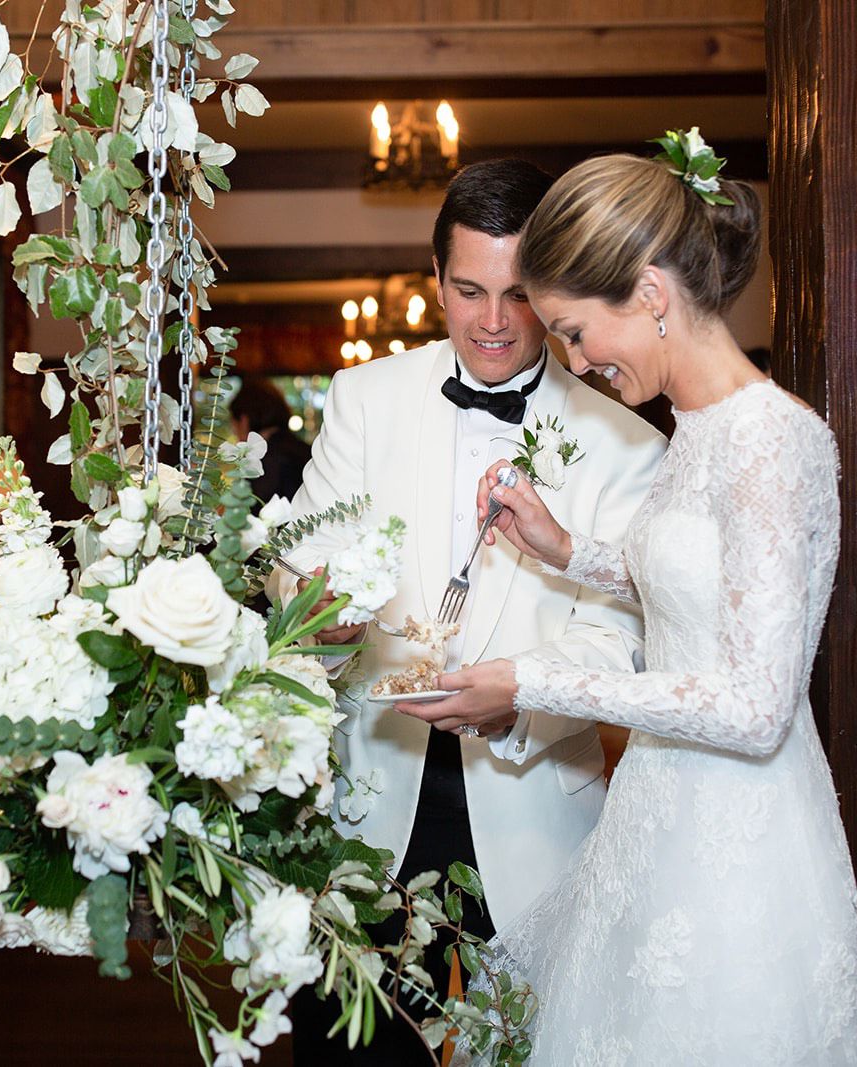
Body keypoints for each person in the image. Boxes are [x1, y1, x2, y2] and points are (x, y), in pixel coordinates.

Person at [419, 147, 857, 1062]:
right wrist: (567, 550)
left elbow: (752, 706)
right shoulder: (698, 428)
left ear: (652, 294)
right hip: (658, 814)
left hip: (738, 837)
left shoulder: (774, 440)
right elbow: (698, 585)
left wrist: (534, 679)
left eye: (578, 331)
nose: (577, 363)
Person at [273, 159, 667, 1064]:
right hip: (369, 802)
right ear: (436, 281)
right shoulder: (362, 399)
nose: (493, 322)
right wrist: (319, 616)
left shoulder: (625, 441)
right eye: (470, 290)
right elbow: (299, 563)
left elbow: (623, 639)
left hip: (534, 812)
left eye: (520, 294)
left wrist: (520, 694)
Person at [229, 374, 310, 503]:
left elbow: (249, 512)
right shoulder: (305, 450)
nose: (235, 435)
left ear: (244, 421)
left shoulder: (264, 461)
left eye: (233, 427)